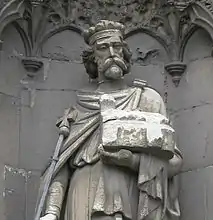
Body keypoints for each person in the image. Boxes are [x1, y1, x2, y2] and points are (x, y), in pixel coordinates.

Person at [39, 20, 183, 220]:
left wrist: (132, 161)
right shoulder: (78, 108)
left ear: (125, 52)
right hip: (81, 195)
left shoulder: (147, 99)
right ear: (93, 58)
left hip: (127, 191)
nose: (112, 53)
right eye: (103, 48)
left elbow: (174, 163)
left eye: (117, 46)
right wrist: (52, 211)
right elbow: (60, 168)